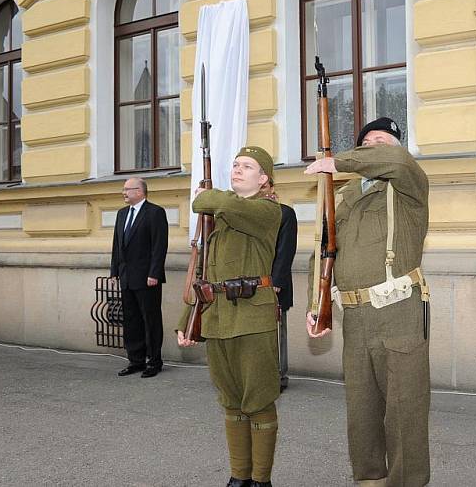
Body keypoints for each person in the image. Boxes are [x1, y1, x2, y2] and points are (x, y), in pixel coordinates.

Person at [305, 117, 431, 487]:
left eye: (385, 140)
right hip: (355, 314)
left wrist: (339, 160)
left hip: (399, 310)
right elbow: (323, 250)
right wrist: (317, 303)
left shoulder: (407, 185)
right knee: (361, 409)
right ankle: (370, 480)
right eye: (369, 139)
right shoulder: (343, 196)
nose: (377, 144)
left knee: (404, 407)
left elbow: (399, 162)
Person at [176, 146, 282, 487]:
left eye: (247, 166)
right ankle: (239, 477)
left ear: (264, 178)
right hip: (218, 317)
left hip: (253, 317)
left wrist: (207, 195)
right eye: (234, 165)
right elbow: (203, 273)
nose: (237, 169)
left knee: (259, 399)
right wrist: (186, 319)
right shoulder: (219, 220)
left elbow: (221, 203)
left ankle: (261, 480)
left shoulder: (267, 210)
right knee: (231, 401)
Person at [110, 177, 168, 378]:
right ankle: (136, 360)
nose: (123, 192)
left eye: (127, 189)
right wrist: (114, 271)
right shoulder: (122, 214)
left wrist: (154, 273)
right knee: (131, 320)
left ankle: (154, 361)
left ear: (140, 191)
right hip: (126, 277)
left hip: (147, 278)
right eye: (123, 189)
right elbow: (117, 245)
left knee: (150, 320)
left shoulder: (155, 213)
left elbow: (159, 247)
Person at [260, 179, 298, 390]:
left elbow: (286, 251)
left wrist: (277, 281)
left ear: (273, 189)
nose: (262, 192)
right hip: (250, 284)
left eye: (265, 187)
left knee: (276, 332)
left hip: (275, 284)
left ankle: (278, 377)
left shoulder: (285, 214)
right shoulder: (247, 213)